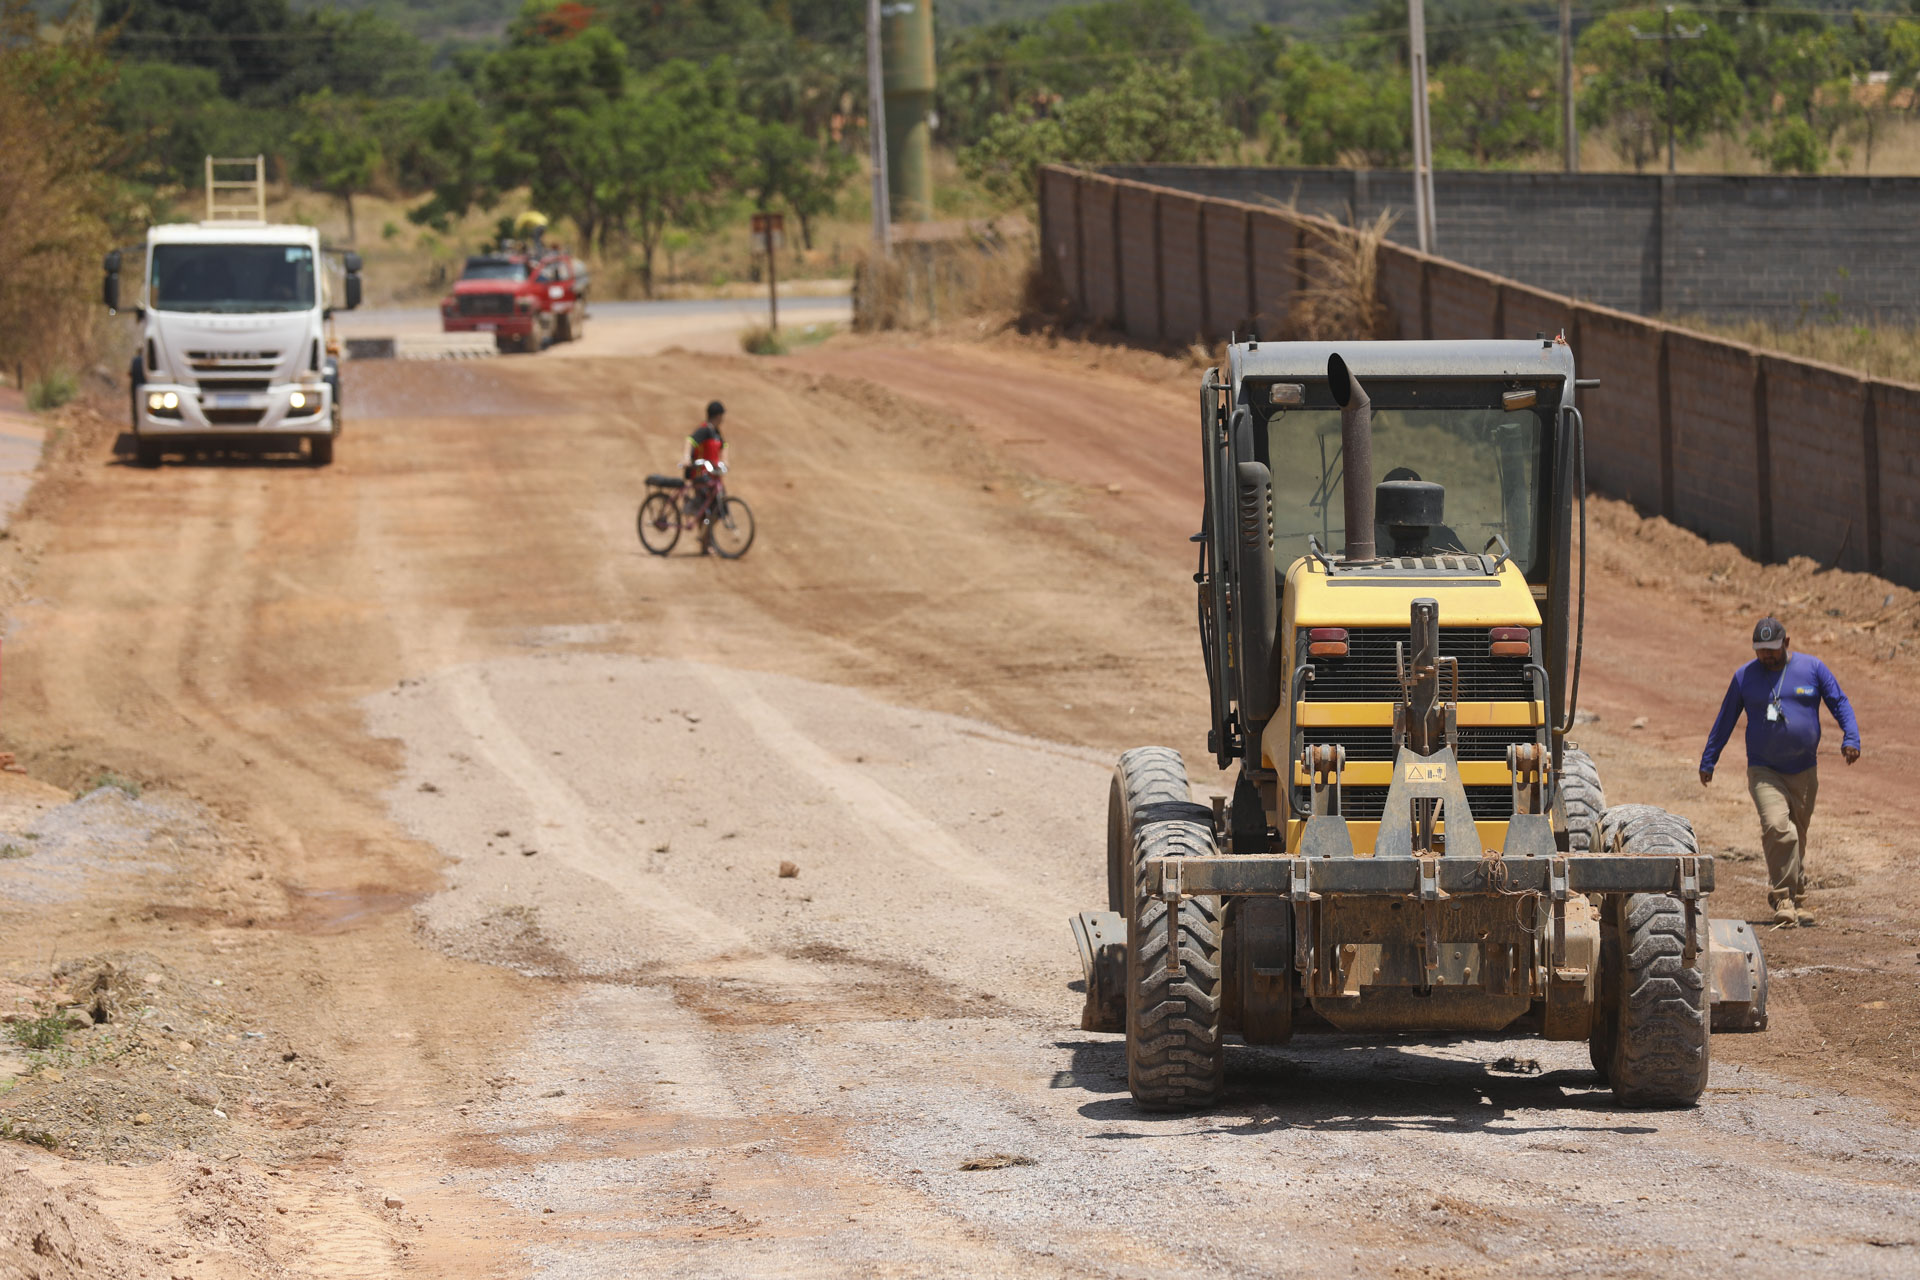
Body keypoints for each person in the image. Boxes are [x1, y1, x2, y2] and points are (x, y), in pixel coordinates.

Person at [1699, 616, 1861, 927]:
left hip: (1803, 769)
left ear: (1786, 643)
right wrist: (1709, 760)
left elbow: (1839, 702)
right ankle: (1783, 896)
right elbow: (1725, 719)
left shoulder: (1813, 669)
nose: (1767, 656)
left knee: (1797, 834)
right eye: (1760, 651)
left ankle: (1798, 898)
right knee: (1778, 827)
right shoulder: (1745, 676)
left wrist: (1851, 737)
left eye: (1772, 649)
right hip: (1764, 769)